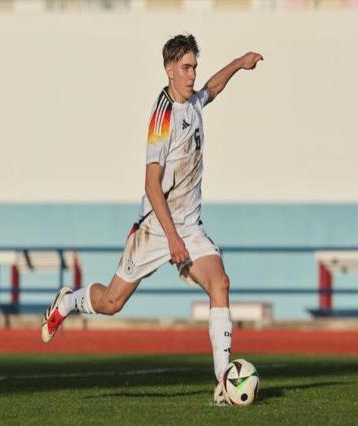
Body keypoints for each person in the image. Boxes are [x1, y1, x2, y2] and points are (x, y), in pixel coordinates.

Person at [41, 34, 263, 405]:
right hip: (156, 228)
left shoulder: (193, 101)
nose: (192, 75)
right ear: (169, 70)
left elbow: (212, 89)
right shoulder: (163, 118)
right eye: (186, 68)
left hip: (190, 227)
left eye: (194, 67)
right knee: (112, 302)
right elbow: (151, 184)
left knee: (220, 283)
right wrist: (172, 238)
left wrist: (239, 63)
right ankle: (67, 302)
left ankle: (224, 381)